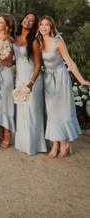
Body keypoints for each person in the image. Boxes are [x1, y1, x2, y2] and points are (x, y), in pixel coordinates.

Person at [37, 16, 90, 158]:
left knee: (62, 111)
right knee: (52, 113)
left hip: (61, 78)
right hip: (48, 79)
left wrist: (81, 80)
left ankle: (63, 143)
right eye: (41, 25)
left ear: (51, 27)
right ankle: (56, 143)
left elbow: (70, 63)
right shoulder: (39, 41)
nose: (43, 27)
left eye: (46, 25)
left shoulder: (58, 42)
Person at [13, 12, 47, 155]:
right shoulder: (14, 38)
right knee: (21, 111)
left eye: (32, 21)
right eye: (27, 18)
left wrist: (31, 84)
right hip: (19, 79)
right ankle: (22, 143)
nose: (28, 21)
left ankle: (35, 145)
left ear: (34, 25)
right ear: (22, 20)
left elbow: (38, 65)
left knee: (32, 111)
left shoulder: (34, 41)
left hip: (32, 80)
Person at [0, 14, 15, 148]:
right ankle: (0, 133)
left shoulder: (9, 40)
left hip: (5, 73)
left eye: (1, 22)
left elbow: (10, 62)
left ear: (7, 26)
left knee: (5, 103)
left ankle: (7, 135)